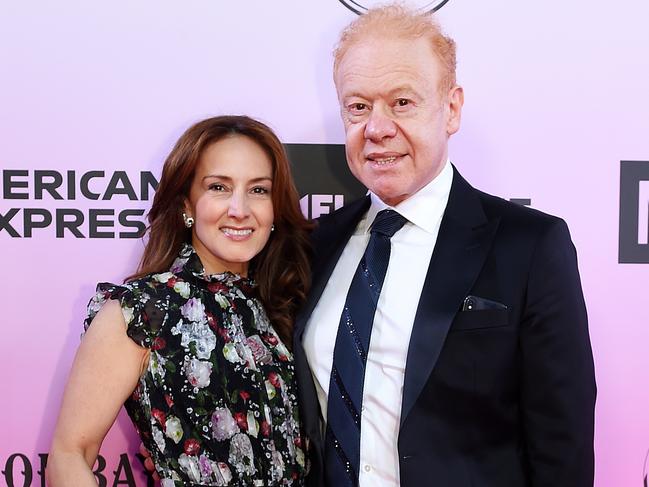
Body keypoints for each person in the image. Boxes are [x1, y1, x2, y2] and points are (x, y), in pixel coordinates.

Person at [292, 5, 596, 487]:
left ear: (451, 108)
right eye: (358, 106)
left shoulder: (530, 246)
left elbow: (563, 448)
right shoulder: (318, 244)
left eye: (403, 103)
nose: (377, 128)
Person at [48, 115, 312, 486]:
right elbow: (68, 456)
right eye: (219, 187)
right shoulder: (142, 309)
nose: (240, 209)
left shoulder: (285, 305)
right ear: (187, 204)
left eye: (258, 190)